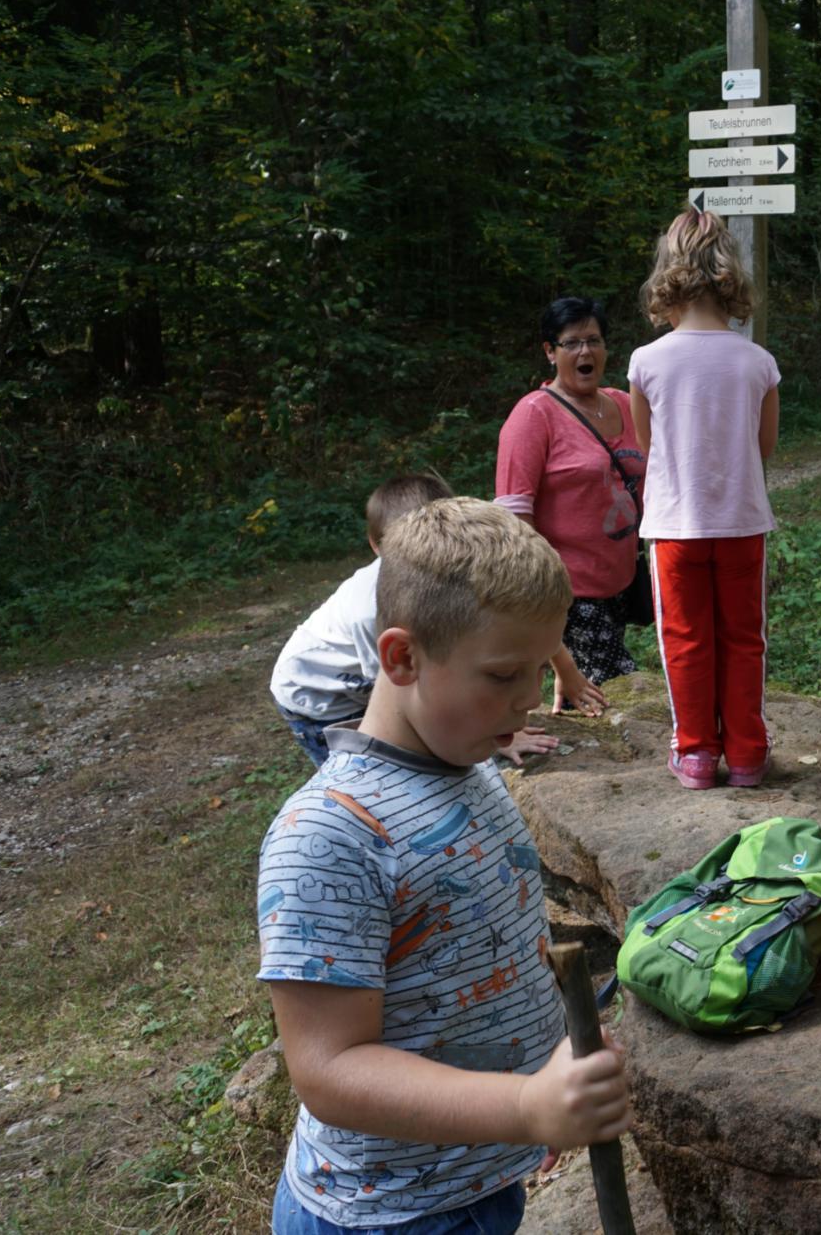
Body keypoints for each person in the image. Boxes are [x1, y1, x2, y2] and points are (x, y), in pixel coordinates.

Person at [256, 498, 633, 1233]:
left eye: (540, 668)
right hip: (385, 1215)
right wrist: (520, 1107)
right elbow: (329, 1069)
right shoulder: (331, 834)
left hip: (475, 1184)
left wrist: (543, 1084)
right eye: (502, 675)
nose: (530, 700)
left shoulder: (470, 767)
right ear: (401, 657)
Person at [627, 207, 781, 789]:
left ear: (668, 272)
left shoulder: (647, 362)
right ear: (730, 273)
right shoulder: (757, 362)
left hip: (674, 525)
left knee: (686, 639)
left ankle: (695, 754)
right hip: (741, 522)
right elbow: (763, 446)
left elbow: (647, 443)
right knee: (744, 638)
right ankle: (746, 754)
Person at [268, 473, 555, 768]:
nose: (533, 697)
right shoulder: (368, 610)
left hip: (358, 678)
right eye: (503, 675)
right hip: (315, 694)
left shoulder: (450, 583)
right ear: (376, 544)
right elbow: (396, 693)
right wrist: (501, 733)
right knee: (366, 769)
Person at [496, 296, 647, 716]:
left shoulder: (623, 403)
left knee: (584, 686)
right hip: (569, 590)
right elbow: (513, 519)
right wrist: (536, 597)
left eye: (594, 340)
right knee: (614, 686)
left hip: (619, 581)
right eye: (571, 343)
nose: (585, 352)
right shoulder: (533, 415)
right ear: (550, 351)